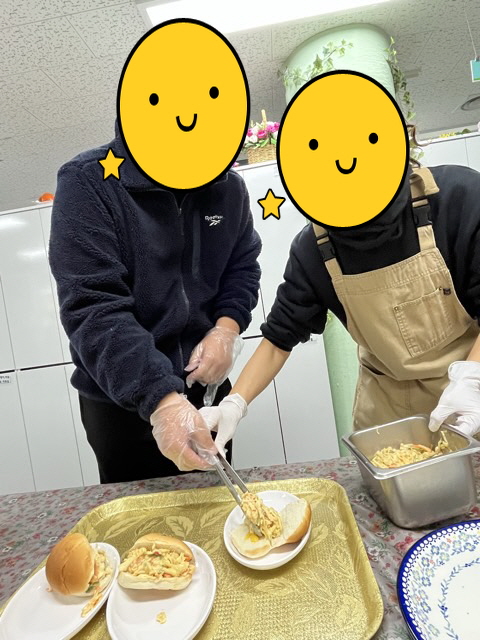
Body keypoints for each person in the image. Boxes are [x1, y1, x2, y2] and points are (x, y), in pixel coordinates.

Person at [48, 21, 261, 483]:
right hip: (122, 399)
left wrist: (226, 330)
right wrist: (161, 400)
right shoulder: (88, 184)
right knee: (139, 516)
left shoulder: (229, 189)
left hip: (206, 387)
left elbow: (243, 268)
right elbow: (93, 307)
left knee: (217, 498)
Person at [201, 142, 480, 452]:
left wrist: (473, 378)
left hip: (469, 393)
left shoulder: (459, 199)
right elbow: (279, 339)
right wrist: (234, 403)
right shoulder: (314, 248)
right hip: (388, 409)